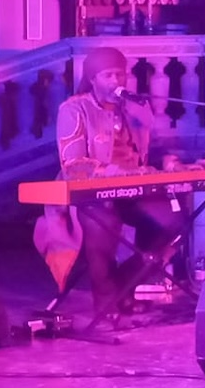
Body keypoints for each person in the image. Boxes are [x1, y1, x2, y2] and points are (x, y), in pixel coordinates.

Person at [36, 47, 186, 317]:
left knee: (174, 221)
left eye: (120, 74)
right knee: (102, 221)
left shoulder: (136, 107)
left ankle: (122, 287)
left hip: (135, 189)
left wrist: (171, 162)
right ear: (92, 78)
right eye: (108, 75)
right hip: (90, 193)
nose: (116, 80)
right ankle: (105, 299)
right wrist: (118, 173)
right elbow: (73, 164)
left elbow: (156, 148)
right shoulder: (74, 109)